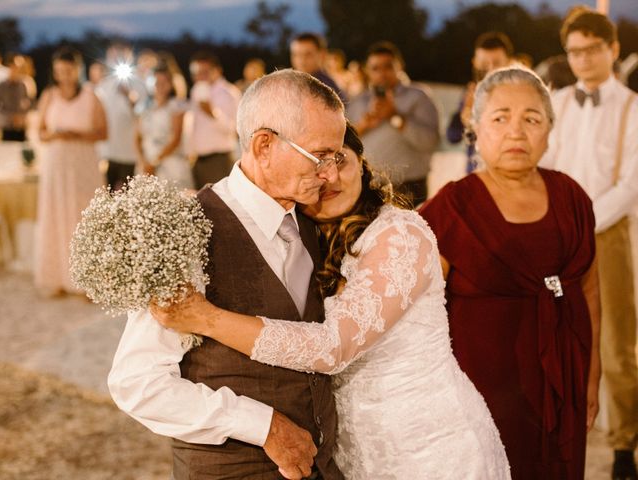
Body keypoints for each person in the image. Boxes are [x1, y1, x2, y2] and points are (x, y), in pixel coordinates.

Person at [149, 121, 512, 479]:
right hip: (354, 455)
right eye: (315, 165)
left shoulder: (399, 233)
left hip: (429, 446)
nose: (329, 178)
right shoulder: (303, 238)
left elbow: (333, 347)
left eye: (341, 160)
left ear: (362, 162)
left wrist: (205, 319)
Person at [109, 69, 346, 480]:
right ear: (264, 145)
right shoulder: (186, 231)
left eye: (336, 157)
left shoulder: (311, 222)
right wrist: (262, 425)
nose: (331, 174)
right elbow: (137, 383)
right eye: (319, 156)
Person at [419, 66, 601, 479]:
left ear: (549, 130)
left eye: (531, 119)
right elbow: (417, 318)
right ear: (476, 127)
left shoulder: (572, 197)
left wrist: (592, 373)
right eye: (500, 118)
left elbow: (590, 289)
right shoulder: (450, 209)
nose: (516, 132)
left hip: (563, 377)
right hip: (483, 390)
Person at [540, 9, 638, 479]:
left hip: (607, 233)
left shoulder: (632, 107)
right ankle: (562, 430)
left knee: (617, 344)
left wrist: (581, 222)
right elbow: (547, 165)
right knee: (557, 334)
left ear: (612, 50)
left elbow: (630, 184)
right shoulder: (556, 101)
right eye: (573, 52)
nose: (581, 59)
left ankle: (623, 445)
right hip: (557, 234)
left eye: (590, 50)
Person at [34, 47, 107, 296]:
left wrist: (78, 134)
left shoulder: (91, 96)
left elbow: (103, 132)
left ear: (77, 70)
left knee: (83, 218)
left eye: (68, 70)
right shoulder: (49, 95)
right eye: (59, 72)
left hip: (83, 162)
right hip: (57, 163)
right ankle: (58, 278)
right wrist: (54, 134)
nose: (64, 76)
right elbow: (40, 133)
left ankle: (88, 283)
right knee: (56, 215)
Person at [347, 41, 439, 206]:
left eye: (388, 66)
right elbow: (343, 144)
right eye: (375, 68)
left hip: (410, 187)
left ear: (400, 66)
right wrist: (363, 126)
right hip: (370, 187)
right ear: (368, 71)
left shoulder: (419, 97)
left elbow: (430, 142)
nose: (382, 73)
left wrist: (395, 117)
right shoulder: (358, 102)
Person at [446, 31, 514, 173]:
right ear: (474, 62)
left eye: (496, 63)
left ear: (509, 62)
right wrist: (465, 114)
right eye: (483, 64)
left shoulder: (519, 95)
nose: (490, 69)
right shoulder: (471, 93)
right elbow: (453, 137)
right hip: (476, 176)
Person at [96, 41, 147, 191]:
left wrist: (130, 98)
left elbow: (143, 115)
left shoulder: (139, 85)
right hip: (108, 152)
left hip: (130, 153)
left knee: (128, 198)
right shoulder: (103, 86)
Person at [188, 50, 241, 189]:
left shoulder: (229, 92)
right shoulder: (196, 90)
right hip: (198, 159)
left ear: (217, 70)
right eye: (196, 73)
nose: (199, 76)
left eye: (204, 72)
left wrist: (212, 113)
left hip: (219, 159)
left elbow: (235, 129)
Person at [136, 65, 193, 190]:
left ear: (171, 84)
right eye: (156, 82)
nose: (160, 86)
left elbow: (176, 138)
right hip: (146, 163)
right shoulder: (143, 108)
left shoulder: (176, 107)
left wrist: (155, 162)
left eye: (164, 82)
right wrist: (143, 162)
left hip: (170, 164)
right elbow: (138, 137)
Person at [290, 32, 347, 103]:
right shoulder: (289, 84)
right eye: (296, 55)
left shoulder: (327, 88)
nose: (301, 60)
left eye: (308, 55)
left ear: (322, 55)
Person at [0, 53, 32, 141]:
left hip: (20, 126)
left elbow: (27, 102)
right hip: (6, 126)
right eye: (13, 68)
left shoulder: (23, 85)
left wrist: (21, 116)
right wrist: (10, 117)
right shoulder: (2, 86)